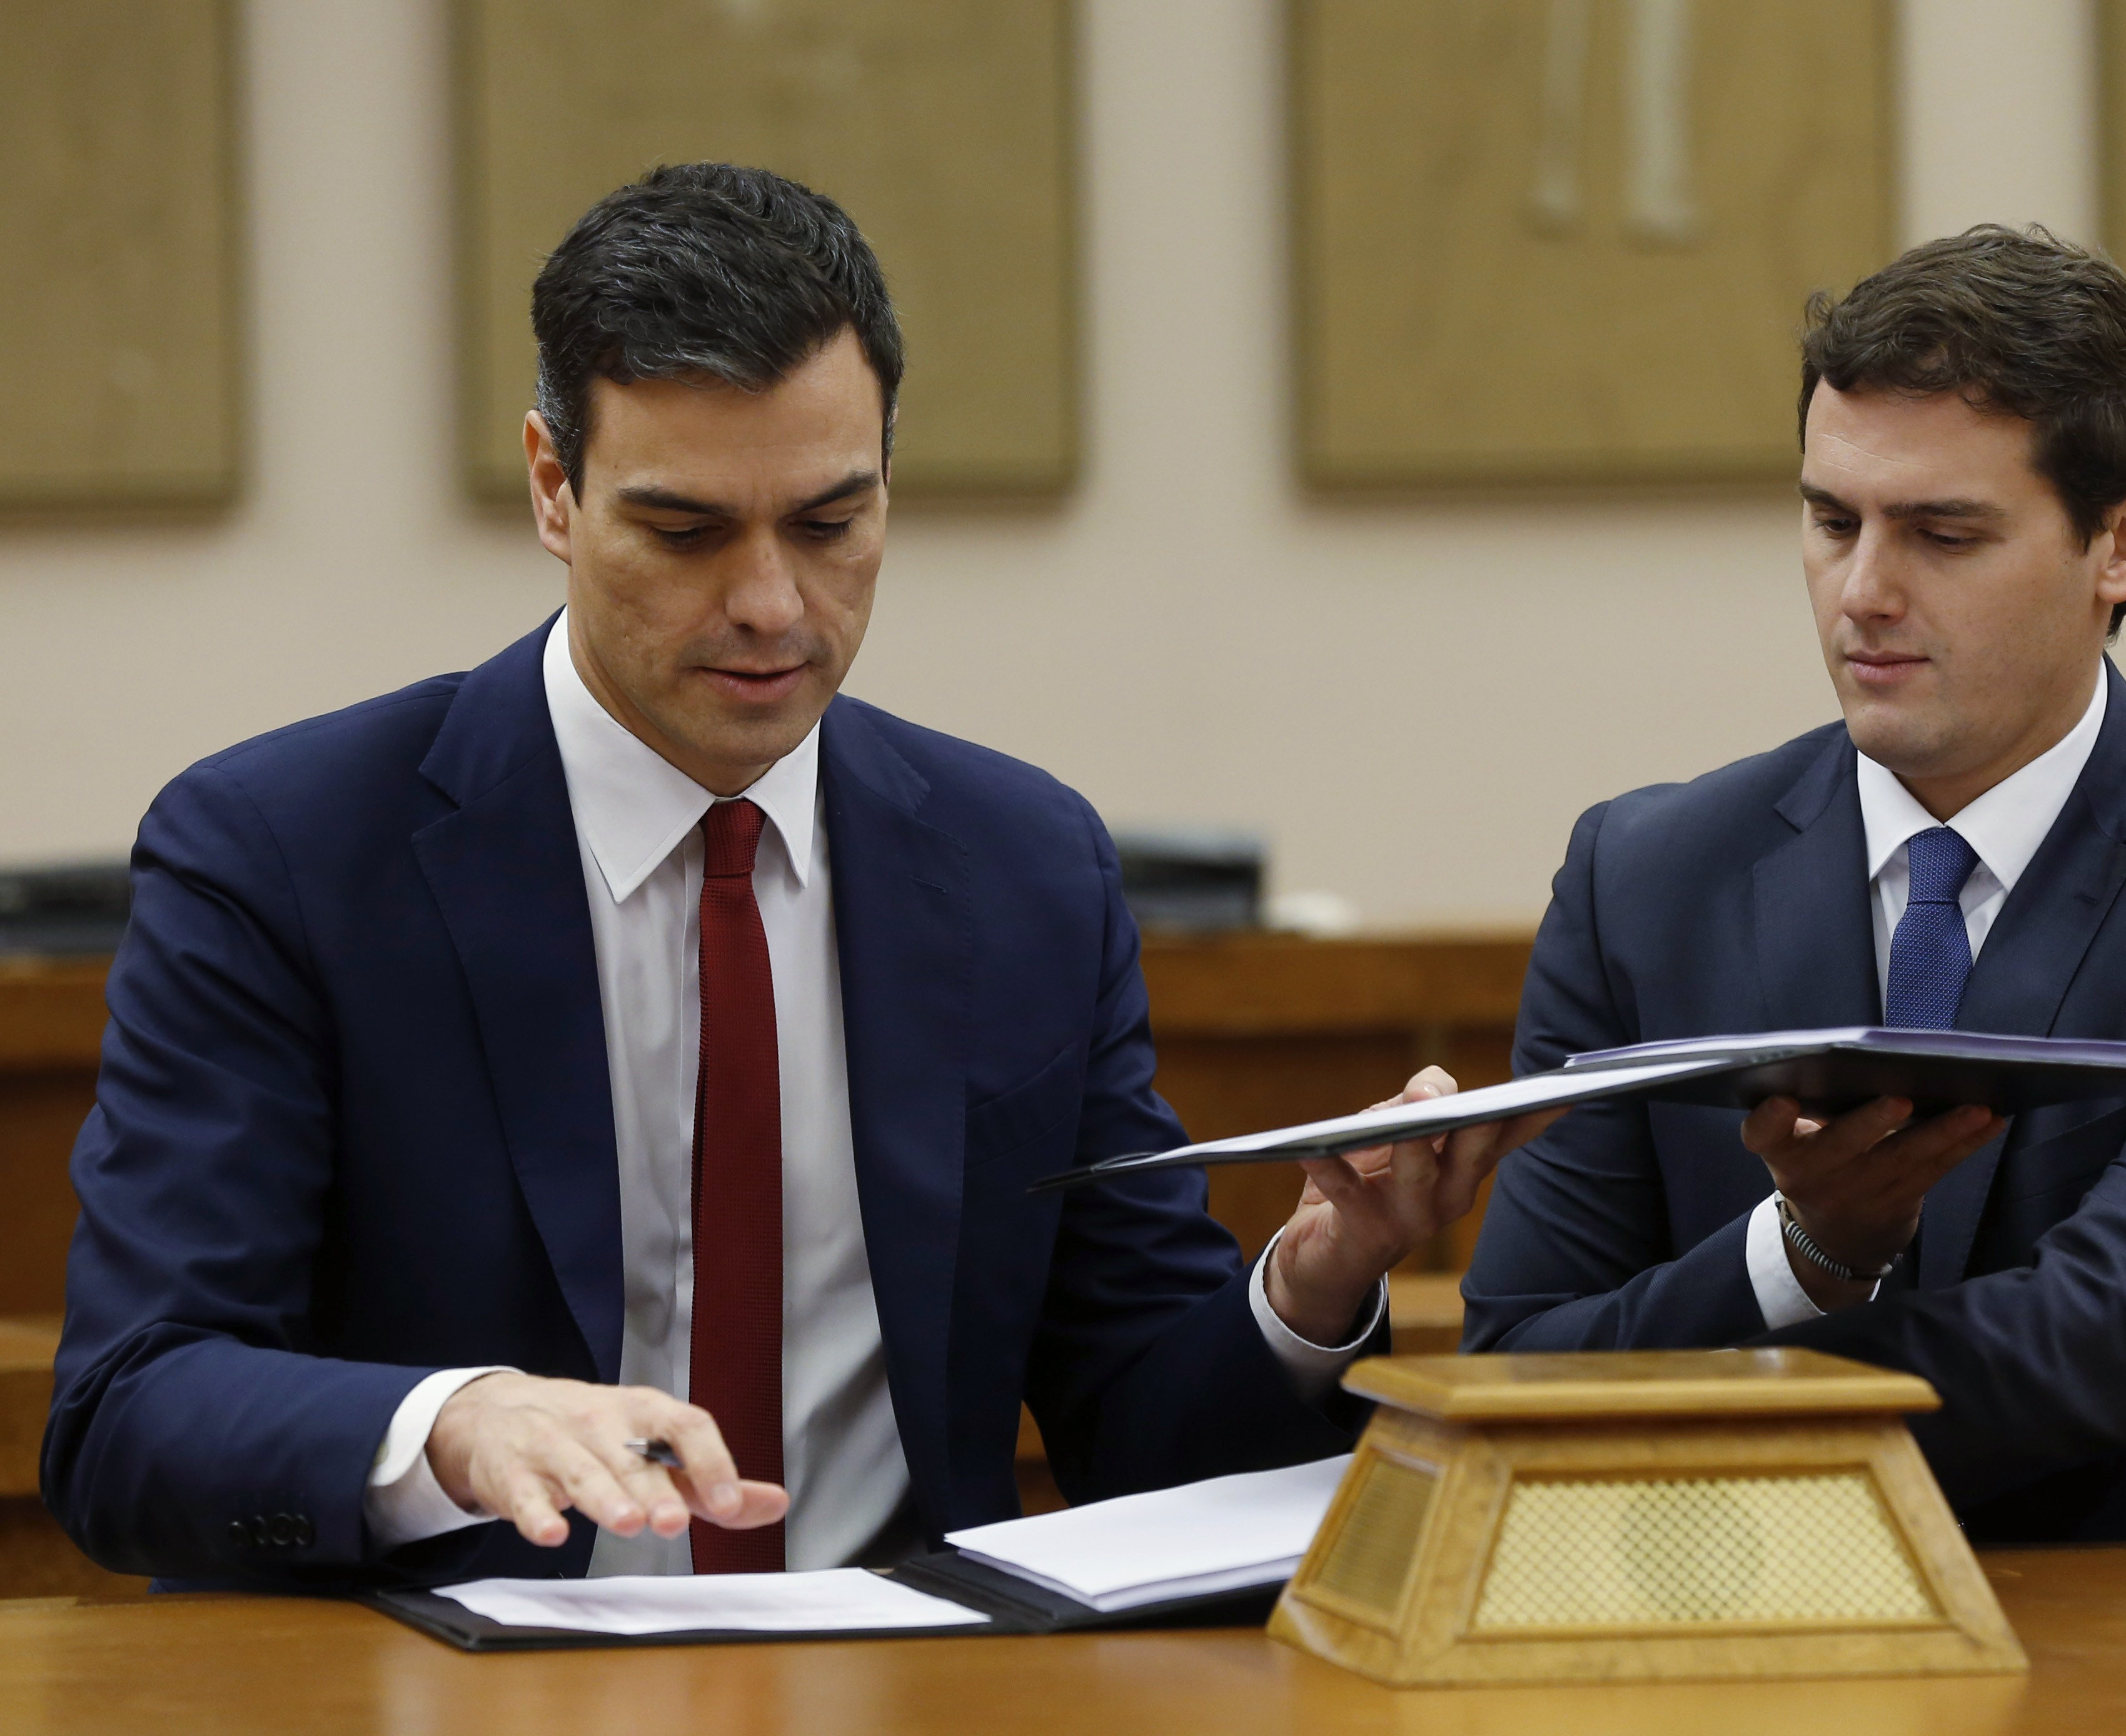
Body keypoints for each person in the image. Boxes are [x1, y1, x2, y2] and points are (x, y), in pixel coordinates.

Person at [44, 164, 1548, 1588]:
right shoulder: (287, 855)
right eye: (685, 530)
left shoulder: (1021, 867)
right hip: (466, 1692)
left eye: (830, 523)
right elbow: (131, 1408)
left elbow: (1145, 1435)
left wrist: (1315, 1273)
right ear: (554, 487)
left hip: (915, 1685)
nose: (770, 603)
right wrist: (448, 1419)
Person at [1461, 225, 2126, 1542]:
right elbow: (1520, 1356)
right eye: (1830, 520)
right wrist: (1800, 1256)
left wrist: (1651, 1413)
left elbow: (2120, 1330)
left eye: (1942, 533)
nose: (1862, 591)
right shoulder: (1641, 878)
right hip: (1757, 1655)